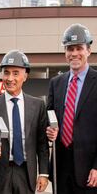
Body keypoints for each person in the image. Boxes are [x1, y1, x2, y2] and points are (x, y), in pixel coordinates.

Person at [0, 50, 49, 194]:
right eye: (6, 72)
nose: (10, 78)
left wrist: (43, 173)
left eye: (15, 73)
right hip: (0, 173)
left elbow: (42, 143)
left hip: (26, 172)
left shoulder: (38, 106)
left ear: (25, 76)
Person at [46, 23, 97, 193]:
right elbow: (50, 115)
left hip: (89, 171)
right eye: (69, 49)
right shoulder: (56, 83)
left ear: (88, 50)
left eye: (79, 48)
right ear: (65, 53)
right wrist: (50, 129)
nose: (74, 53)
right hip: (60, 167)